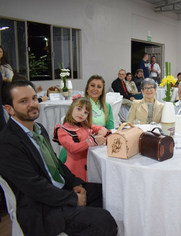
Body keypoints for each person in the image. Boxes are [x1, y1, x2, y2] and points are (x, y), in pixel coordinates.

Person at [0, 80, 117, 236]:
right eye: (23, 101)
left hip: (58, 190)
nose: (33, 104)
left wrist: (75, 182)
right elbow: (34, 186)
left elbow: (55, 162)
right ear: (10, 109)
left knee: (105, 192)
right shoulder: (8, 142)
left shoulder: (38, 129)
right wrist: (72, 199)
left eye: (34, 98)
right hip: (41, 207)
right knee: (104, 219)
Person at [54, 97, 109, 181]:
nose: (82, 114)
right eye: (79, 109)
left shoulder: (84, 124)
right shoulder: (62, 130)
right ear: (72, 108)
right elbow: (72, 148)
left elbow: (96, 127)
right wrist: (92, 141)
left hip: (89, 167)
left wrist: (102, 130)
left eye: (85, 112)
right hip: (75, 171)